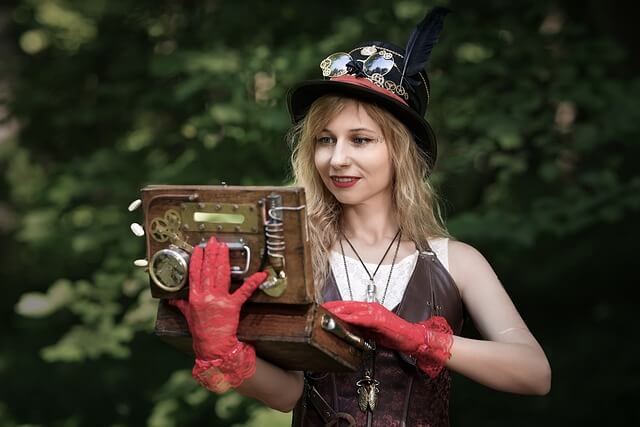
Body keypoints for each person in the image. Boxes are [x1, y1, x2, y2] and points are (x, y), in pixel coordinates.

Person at [168, 7, 551, 427]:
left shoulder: (456, 262)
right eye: (325, 140)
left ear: (401, 153)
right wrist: (223, 350)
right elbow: (287, 394)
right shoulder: (296, 255)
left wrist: (418, 337)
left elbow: (534, 374)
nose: (337, 159)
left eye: (361, 140)